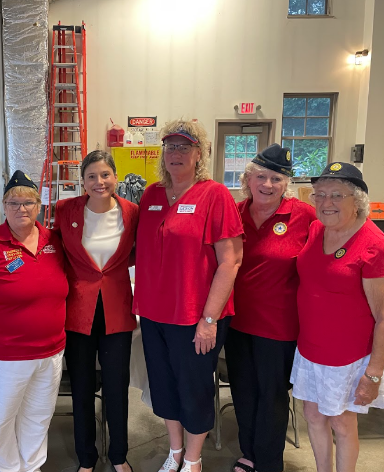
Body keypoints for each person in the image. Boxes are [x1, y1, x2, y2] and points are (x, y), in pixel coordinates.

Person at [133, 119, 244, 472]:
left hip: (195, 316)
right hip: (154, 314)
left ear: (199, 153)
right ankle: (175, 451)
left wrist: (209, 319)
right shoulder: (151, 195)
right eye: (170, 147)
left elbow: (230, 261)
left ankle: (194, 459)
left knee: (194, 388)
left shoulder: (215, 195)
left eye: (184, 147)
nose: (176, 153)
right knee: (164, 386)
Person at [0, 170, 68, 472]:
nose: (22, 209)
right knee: (0, 421)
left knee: (38, 417)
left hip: (50, 353)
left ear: (39, 206)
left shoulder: (53, 242)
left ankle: (32, 467)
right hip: (3, 357)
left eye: (28, 202)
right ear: (4, 206)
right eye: (13, 203)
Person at [291, 162, 384, 472]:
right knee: (313, 415)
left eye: (337, 195)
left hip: (348, 358)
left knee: (342, 422)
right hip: (311, 349)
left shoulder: (373, 245)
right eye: (320, 194)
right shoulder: (316, 229)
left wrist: (373, 374)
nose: (326, 202)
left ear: (358, 200)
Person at [225, 144, 316, 472]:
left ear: (286, 183)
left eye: (276, 179)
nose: (267, 184)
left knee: (273, 396)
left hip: (279, 327)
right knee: (243, 392)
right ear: (248, 179)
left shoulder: (304, 216)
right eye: (261, 177)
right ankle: (249, 453)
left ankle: (268, 462)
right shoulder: (233, 213)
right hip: (236, 323)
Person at [54, 150, 139, 472]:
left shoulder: (132, 212)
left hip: (117, 308)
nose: (99, 182)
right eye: (91, 176)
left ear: (115, 177)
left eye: (105, 175)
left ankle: (118, 455)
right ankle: (86, 458)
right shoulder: (66, 210)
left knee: (117, 387)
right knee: (82, 387)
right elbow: (56, 252)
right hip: (78, 309)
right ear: (83, 181)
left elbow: (138, 252)